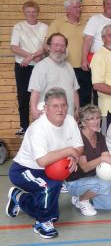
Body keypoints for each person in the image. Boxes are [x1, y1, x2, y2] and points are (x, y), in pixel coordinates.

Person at [6, 87, 83, 239]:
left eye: (63, 105)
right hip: (24, 170)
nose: (60, 109)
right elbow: (42, 160)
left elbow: (79, 146)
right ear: (46, 108)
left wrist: (74, 156)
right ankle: (42, 222)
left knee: (52, 212)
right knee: (49, 187)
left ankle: (19, 197)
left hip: (49, 168)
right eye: (55, 106)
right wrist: (69, 151)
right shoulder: (38, 128)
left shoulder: (70, 121)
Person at [65, 104, 111, 216]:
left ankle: (86, 196)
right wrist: (103, 159)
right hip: (76, 181)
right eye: (91, 119)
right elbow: (84, 167)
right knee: (105, 184)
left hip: (94, 178)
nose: (96, 121)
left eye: (98, 117)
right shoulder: (78, 138)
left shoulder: (100, 137)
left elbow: (106, 157)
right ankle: (82, 200)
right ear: (83, 122)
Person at [10, 0, 48, 136]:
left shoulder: (44, 27)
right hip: (23, 65)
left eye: (33, 12)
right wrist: (30, 56)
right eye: (28, 12)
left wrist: (33, 57)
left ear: (37, 12)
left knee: (41, 95)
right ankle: (24, 126)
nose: (31, 15)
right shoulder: (18, 27)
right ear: (24, 13)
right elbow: (14, 47)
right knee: (23, 96)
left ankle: (41, 124)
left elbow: (45, 47)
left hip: (39, 65)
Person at [46, 0, 89, 106]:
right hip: (64, 67)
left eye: (80, 7)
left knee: (85, 97)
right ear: (67, 10)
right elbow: (47, 44)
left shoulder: (86, 23)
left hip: (84, 67)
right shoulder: (57, 23)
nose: (79, 9)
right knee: (66, 97)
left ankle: (82, 123)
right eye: (76, 7)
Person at [29, 33, 80, 119]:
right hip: (48, 119)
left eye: (62, 45)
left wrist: (77, 109)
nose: (59, 48)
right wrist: (33, 109)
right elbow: (35, 91)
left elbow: (74, 91)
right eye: (56, 45)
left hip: (69, 117)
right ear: (48, 47)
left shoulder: (69, 67)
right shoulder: (41, 66)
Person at [82, 0, 111, 70]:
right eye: (108, 4)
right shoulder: (95, 19)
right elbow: (87, 41)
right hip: (99, 61)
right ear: (103, 5)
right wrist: (84, 60)